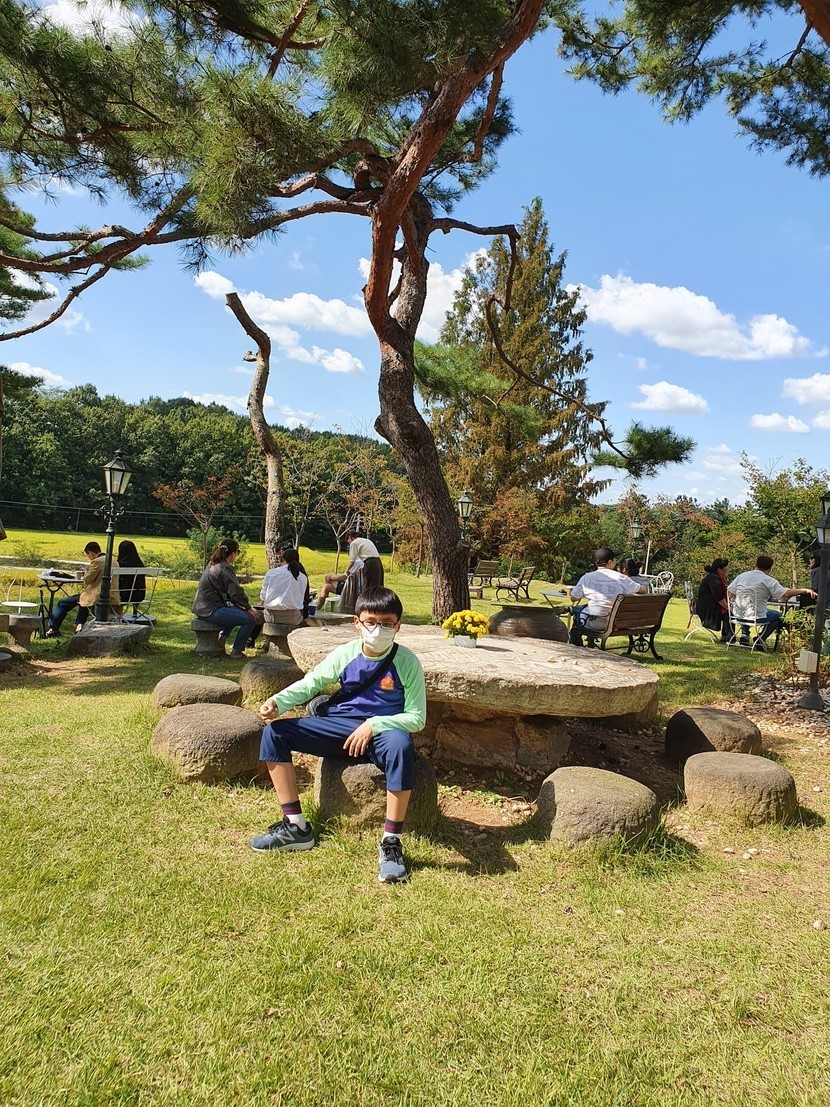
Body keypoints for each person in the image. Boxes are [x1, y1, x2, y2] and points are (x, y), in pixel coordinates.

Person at [250, 587, 426, 884]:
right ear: (357, 623)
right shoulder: (346, 653)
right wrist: (278, 701)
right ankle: (295, 826)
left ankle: (391, 843)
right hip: (341, 727)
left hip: (383, 732)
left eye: (386, 623)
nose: (378, 629)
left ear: (398, 626)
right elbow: (312, 682)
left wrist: (373, 725)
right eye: (371, 622)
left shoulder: (407, 661)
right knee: (275, 733)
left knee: (401, 745)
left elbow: (417, 717)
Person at [727, 555, 816, 648]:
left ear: (756, 564)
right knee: (777, 616)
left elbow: (730, 591)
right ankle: (761, 638)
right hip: (756, 616)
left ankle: (745, 634)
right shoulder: (768, 580)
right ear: (770, 568)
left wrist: (733, 605)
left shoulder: (742, 576)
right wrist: (804, 590)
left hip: (738, 614)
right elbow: (786, 594)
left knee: (747, 607)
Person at [191, 538, 258, 659]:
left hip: (202, 607)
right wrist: (249, 609)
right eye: (236, 553)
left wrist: (242, 606)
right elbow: (236, 593)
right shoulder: (224, 567)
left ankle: (222, 639)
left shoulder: (212, 564)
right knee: (250, 619)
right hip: (210, 609)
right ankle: (237, 652)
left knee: (235, 611)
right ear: (233, 554)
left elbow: (231, 594)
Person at [568, 547, 646, 647]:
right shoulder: (621, 578)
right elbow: (643, 590)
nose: (616, 561)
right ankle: (590, 644)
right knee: (585, 609)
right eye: (614, 559)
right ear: (610, 562)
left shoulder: (587, 577)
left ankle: (576, 648)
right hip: (618, 622)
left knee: (578, 617)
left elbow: (573, 598)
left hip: (594, 622)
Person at [45, 540, 121, 637]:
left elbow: (87, 580)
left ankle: (53, 628)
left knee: (63, 603)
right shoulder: (114, 561)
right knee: (83, 600)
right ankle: (79, 625)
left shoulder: (97, 562)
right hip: (114, 595)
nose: (89, 558)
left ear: (91, 553)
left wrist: (86, 571)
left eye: (88, 555)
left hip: (99, 595)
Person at [259, 547, 310, 627]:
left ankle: (250, 635)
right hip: (293, 618)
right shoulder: (302, 577)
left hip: (271, 616)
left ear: (282, 559)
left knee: (254, 615)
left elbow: (263, 595)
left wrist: (262, 602)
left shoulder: (271, 573)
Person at [696, 557, 730, 642]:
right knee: (730, 612)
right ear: (719, 569)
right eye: (726, 568)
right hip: (708, 609)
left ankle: (727, 635)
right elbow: (719, 597)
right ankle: (728, 636)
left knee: (729, 611)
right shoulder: (713, 579)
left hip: (711, 606)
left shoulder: (716, 577)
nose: (728, 570)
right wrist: (728, 607)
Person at [345, 527, 384, 593]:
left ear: (349, 537)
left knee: (368, 586)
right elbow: (369, 554)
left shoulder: (354, 543)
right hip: (378, 562)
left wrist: (346, 571)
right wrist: (363, 566)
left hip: (370, 564)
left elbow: (352, 561)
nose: (349, 543)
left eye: (348, 541)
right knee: (377, 585)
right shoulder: (366, 540)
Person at [116, 539, 146, 616]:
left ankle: (115, 616)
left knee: (110, 594)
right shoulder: (139, 564)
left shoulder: (120, 564)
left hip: (124, 595)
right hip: (140, 595)